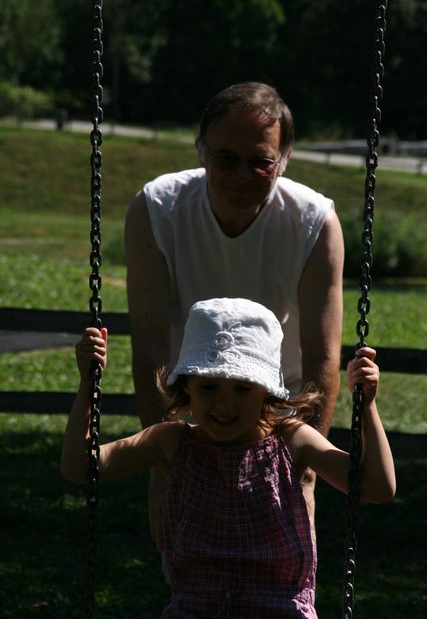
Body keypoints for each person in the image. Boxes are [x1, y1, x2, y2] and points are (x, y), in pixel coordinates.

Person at [62, 297, 396, 619]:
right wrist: (88, 384)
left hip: (280, 611)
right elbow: (80, 467)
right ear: (187, 385)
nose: (224, 405)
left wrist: (366, 406)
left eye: (243, 389)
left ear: (265, 391)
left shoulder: (292, 440)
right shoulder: (171, 442)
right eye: (208, 387)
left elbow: (377, 487)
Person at [125, 81, 345, 544]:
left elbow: (322, 356)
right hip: (191, 408)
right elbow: (149, 343)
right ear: (201, 151)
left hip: (278, 413)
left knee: (280, 569)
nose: (243, 175)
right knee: (189, 566)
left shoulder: (313, 221)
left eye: (261, 162)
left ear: (284, 160)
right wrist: (163, 460)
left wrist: (304, 472)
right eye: (226, 159)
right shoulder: (158, 209)